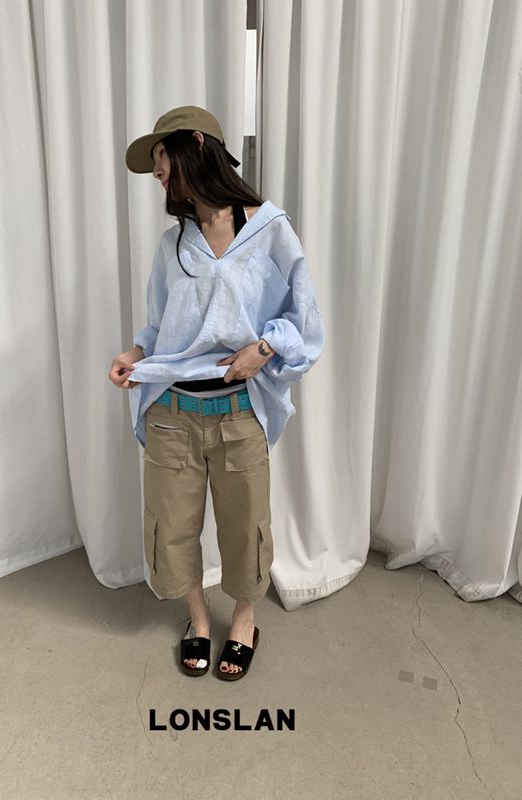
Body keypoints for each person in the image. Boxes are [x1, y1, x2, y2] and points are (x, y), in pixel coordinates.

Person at [109, 105, 325, 680]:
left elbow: (305, 320)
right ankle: (199, 620)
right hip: (172, 412)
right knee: (172, 529)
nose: (158, 172)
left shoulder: (269, 230)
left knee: (246, 529)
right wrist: (135, 355)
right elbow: (159, 327)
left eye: (162, 157)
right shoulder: (173, 244)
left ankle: (245, 621)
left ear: (197, 145)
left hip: (238, 414)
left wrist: (265, 348)